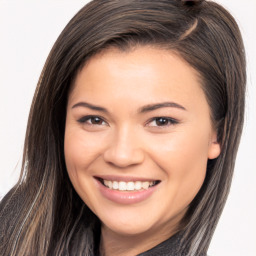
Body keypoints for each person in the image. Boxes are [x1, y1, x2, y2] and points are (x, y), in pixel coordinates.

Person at [0, 0, 246, 255]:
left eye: (161, 121)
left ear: (218, 134)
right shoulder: (16, 227)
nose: (122, 155)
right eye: (94, 120)